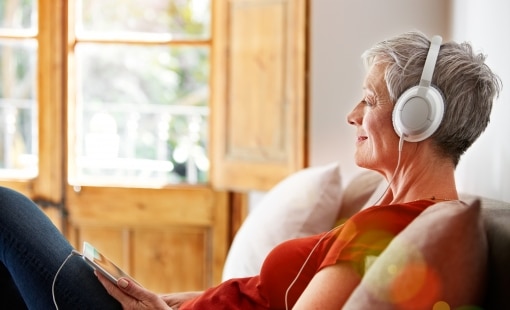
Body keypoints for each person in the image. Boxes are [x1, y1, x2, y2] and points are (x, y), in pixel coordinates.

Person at [0, 30, 501, 309]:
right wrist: (165, 302)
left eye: (369, 100)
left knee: (6, 210)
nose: (352, 115)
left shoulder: (395, 228)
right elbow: (259, 295)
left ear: (418, 118)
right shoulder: (394, 212)